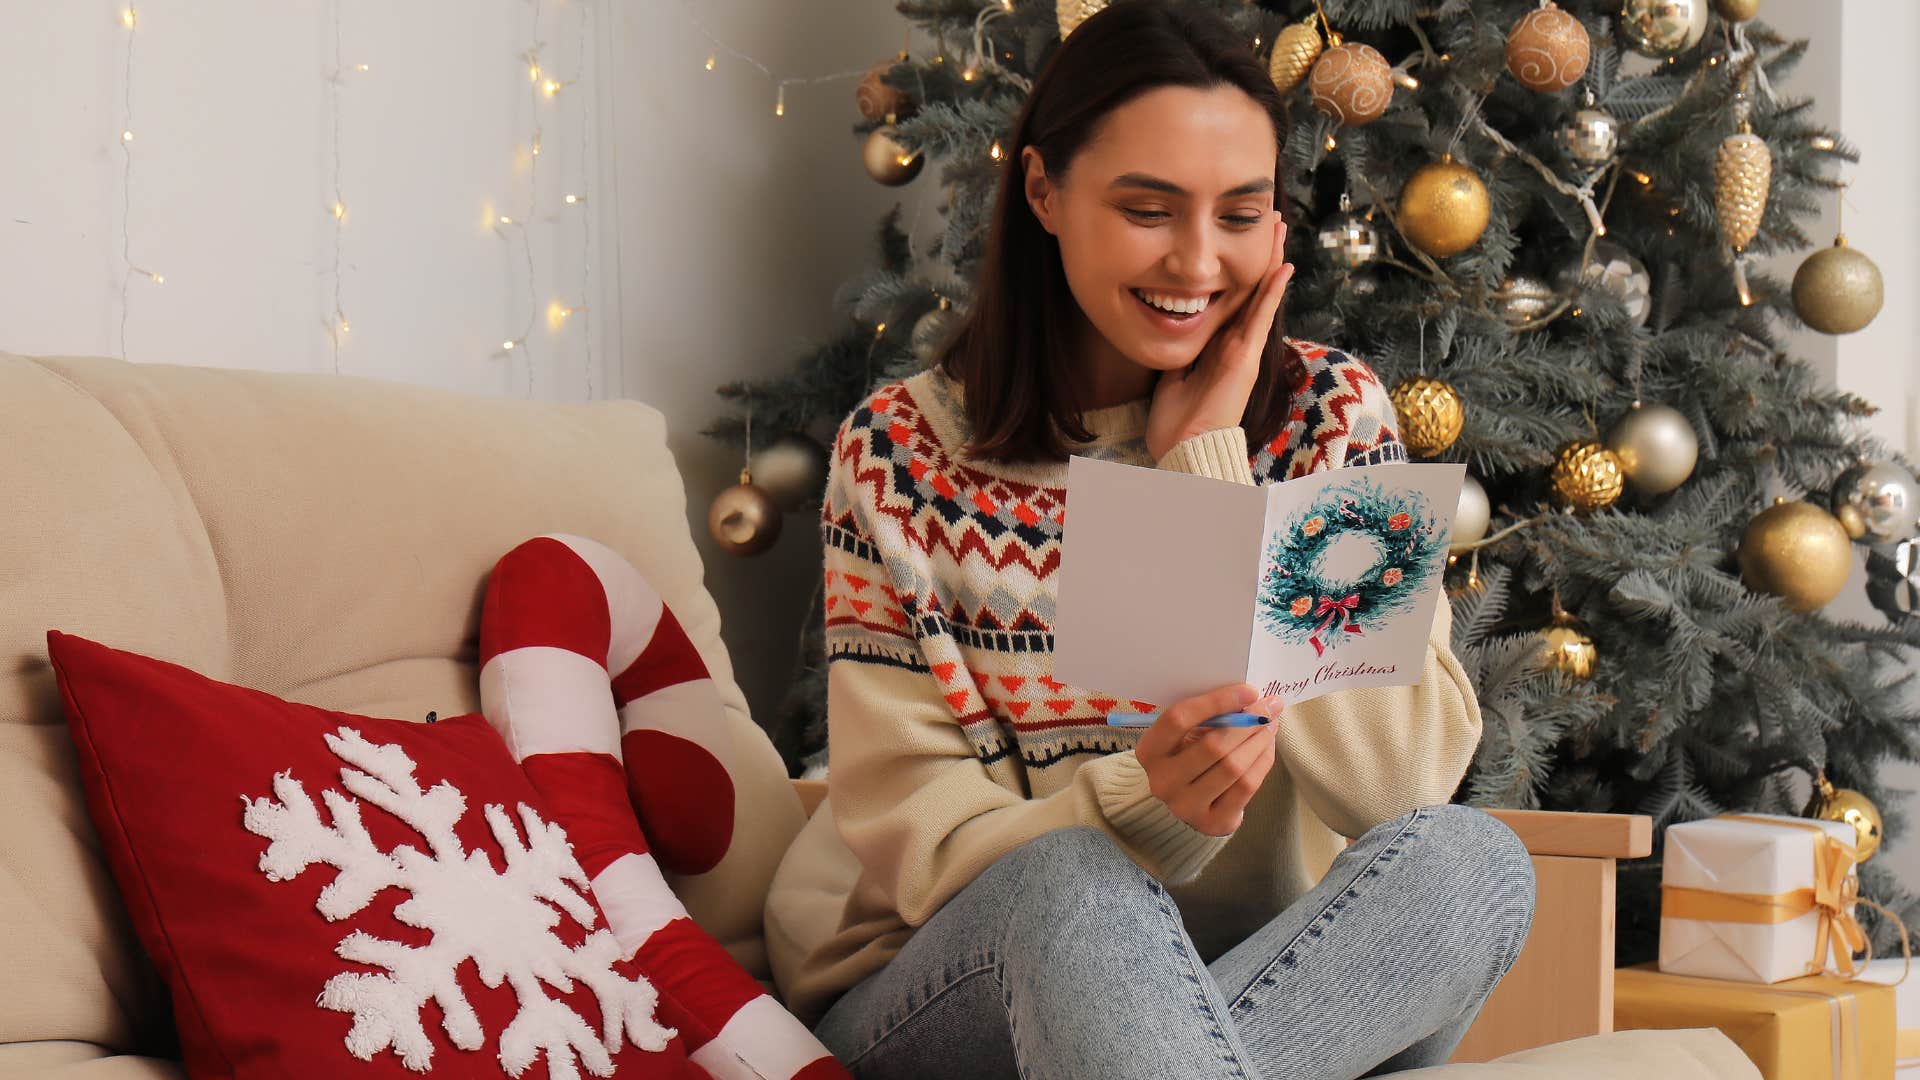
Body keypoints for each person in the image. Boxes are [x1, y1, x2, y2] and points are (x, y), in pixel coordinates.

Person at [762, 2, 1535, 1076]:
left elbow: (1395, 786)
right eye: (1148, 209)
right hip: (954, 973)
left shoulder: (1328, 416)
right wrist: (1145, 806)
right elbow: (925, 846)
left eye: (1239, 214)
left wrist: (1209, 462)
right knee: (1079, 884)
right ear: (1042, 191)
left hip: (1239, 975)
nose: (1195, 263)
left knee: (1473, 862)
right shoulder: (902, 455)